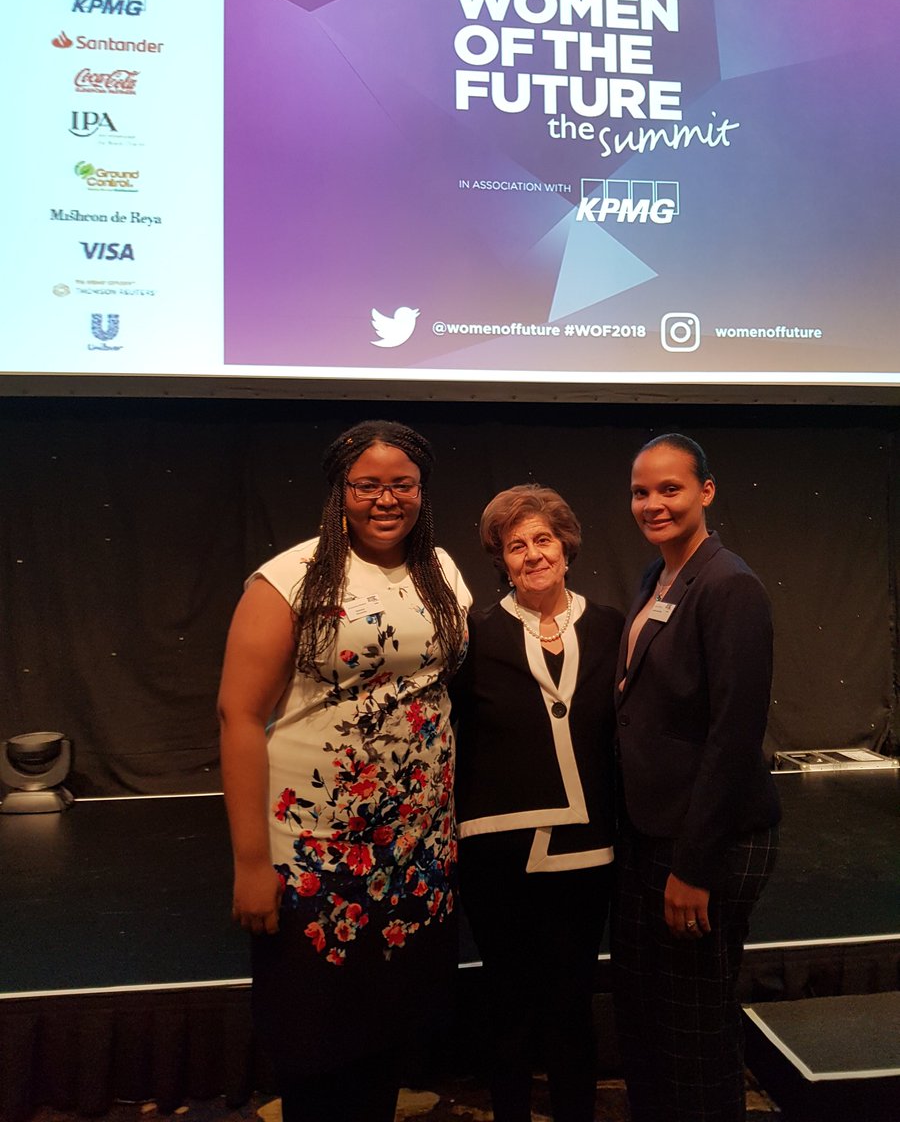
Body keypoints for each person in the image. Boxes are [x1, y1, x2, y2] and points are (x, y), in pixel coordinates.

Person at [217, 420, 472, 1122]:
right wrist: (250, 863)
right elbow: (239, 716)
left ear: (421, 491)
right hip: (317, 849)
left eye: (402, 485)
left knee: (386, 1029)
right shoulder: (289, 579)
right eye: (368, 485)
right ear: (341, 492)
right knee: (317, 1041)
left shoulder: (440, 570)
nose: (386, 499)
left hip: (414, 847)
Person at [612, 433, 781, 1122]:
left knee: (695, 1032)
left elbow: (733, 737)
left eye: (670, 489)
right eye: (640, 492)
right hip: (656, 833)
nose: (653, 504)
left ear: (706, 491)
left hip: (708, 843)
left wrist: (694, 866)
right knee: (652, 1018)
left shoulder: (728, 585)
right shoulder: (658, 576)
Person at [451, 486, 623, 1122]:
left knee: (571, 1001)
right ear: (501, 560)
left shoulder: (611, 626)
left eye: (542, 540)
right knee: (509, 1002)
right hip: (496, 848)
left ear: (566, 548)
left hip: (585, 847)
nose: (532, 555)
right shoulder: (473, 635)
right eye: (515, 546)